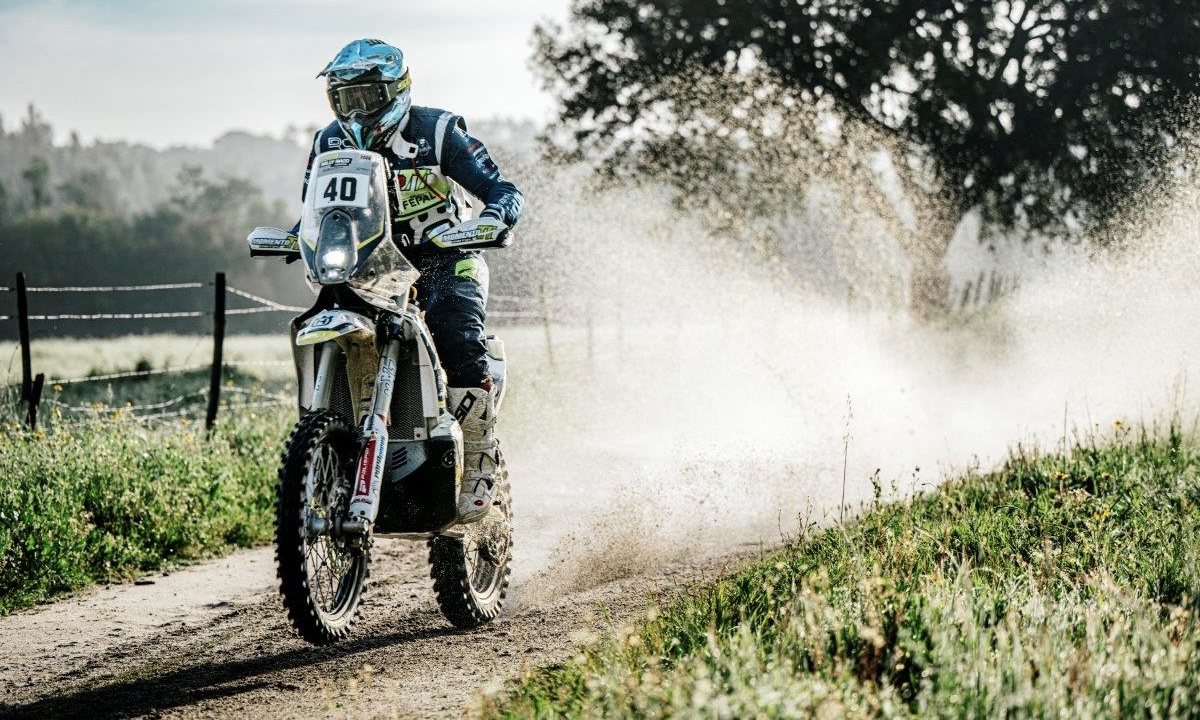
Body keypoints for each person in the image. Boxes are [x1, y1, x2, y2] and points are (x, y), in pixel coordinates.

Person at [298, 38, 524, 524]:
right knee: (322, 316)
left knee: (454, 331)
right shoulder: (328, 145)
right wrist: (295, 235)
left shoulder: (438, 130)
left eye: (366, 97)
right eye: (344, 99)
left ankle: (481, 455)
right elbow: (314, 213)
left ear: (395, 90)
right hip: (370, 266)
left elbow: (500, 188)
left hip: (446, 258)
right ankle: (331, 444)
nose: (355, 109)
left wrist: (495, 218)